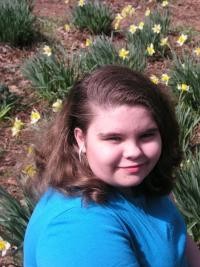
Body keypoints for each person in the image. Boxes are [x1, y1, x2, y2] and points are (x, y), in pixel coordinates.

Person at [24, 65, 200, 267]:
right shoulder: (80, 228)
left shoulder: (139, 182)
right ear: (80, 139)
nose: (134, 152)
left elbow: (181, 245)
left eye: (146, 135)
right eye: (114, 138)